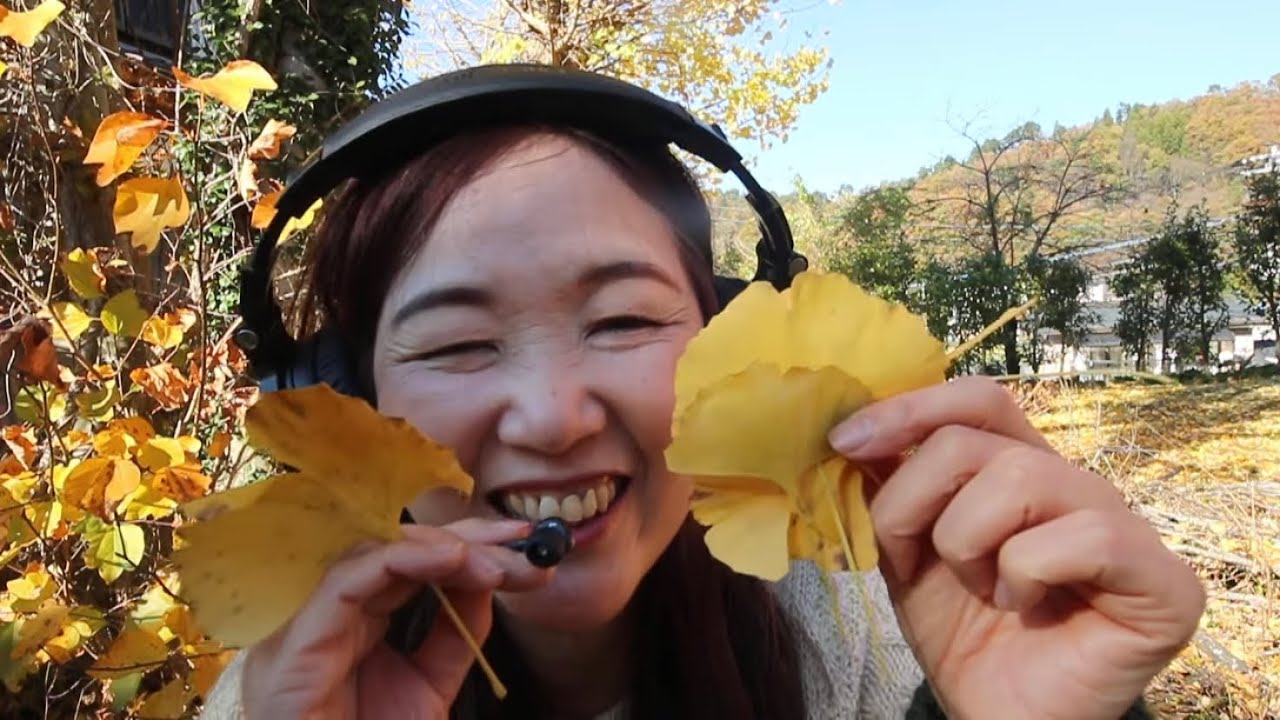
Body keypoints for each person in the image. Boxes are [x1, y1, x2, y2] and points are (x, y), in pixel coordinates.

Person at [199, 85, 1206, 719]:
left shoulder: (884, 643)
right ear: (340, 395)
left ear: (726, 350)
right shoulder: (294, 691)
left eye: (623, 323)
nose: (551, 419)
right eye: (460, 343)